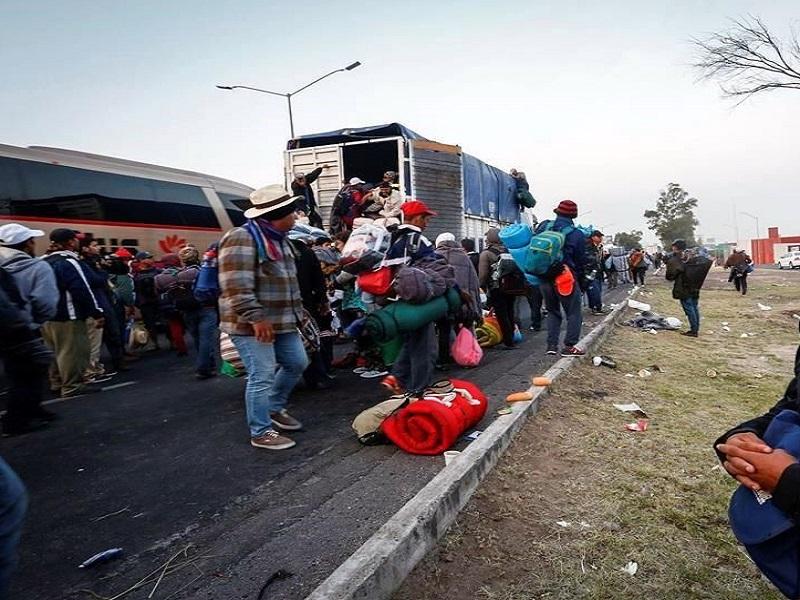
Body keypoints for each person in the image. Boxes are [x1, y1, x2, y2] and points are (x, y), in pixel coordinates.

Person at [218, 184, 309, 450]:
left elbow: (289, 283)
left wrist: (298, 312)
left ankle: (273, 407)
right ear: (278, 214)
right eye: (292, 213)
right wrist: (256, 317)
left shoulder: (281, 241)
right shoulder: (241, 238)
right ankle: (260, 432)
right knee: (262, 374)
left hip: (283, 321)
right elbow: (235, 285)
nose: (296, 217)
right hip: (252, 325)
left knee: (297, 363)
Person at [0, 224, 59, 435]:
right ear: (27, 244)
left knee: (15, 372)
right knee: (30, 373)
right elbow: (46, 303)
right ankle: (17, 422)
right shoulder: (37, 267)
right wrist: (34, 322)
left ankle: (33, 410)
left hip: (4, 329)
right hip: (24, 328)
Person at [380, 200, 440, 397]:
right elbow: (434, 268)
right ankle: (419, 390)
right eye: (425, 218)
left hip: (396, 301)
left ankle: (396, 377)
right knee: (425, 347)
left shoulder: (393, 239)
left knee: (411, 341)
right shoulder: (418, 240)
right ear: (415, 218)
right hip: (417, 300)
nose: (426, 222)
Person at [41, 229, 105, 398]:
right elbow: (81, 288)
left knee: (54, 351)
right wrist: (96, 312)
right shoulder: (69, 261)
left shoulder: (42, 260)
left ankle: (56, 382)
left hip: (46, 316)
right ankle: (72, 386)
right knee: (72, 351)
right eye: (76, 240)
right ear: (70, 242)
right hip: (69, 315)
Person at [534, 200, 587, 356]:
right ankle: (569, 347)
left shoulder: (544, 227)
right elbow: (580, 260)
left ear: (557, 212)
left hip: (544, 276)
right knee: (573, 312)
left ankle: (551, 346)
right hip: (565, 277)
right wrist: (581, 279)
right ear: (574, 215)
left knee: (552, 311)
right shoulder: (577, 234)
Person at [78, 235, 125, 378]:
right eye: (94, 245)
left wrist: (108, 263)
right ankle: (93, 369)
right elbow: (96, 280)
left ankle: (118, 360)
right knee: (96, 339)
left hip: (107, 299)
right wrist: (101, 271)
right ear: (85, 248)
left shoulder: (99, 260)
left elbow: (122, 269)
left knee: (114, 333)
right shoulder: (82, 263)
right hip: (97, 302)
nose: (98, 248)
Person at [434, 232, 482, 367]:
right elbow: (474, 282)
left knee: (444, 329)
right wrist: (475, 305)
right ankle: (468, 358)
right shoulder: (464, 257)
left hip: (443, 302)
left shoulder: (434, 256)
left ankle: (443, 360)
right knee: (464, 328)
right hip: (463, 301)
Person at [478, 228, 517, 349]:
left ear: (490, 239)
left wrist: (481, 286)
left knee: (501, 314)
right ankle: (512, 337)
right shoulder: (508, 250)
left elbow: (483, 274)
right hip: (511, 287)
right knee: (510, 311)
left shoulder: (486, 254)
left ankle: (508, 342)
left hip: (496, 287)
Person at [665, 239, 712, 338]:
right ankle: (695, 328)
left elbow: (670, 276)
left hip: (683, 287)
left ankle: (693, 331)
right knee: (694, 308)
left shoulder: (676, 259)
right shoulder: (693, 257)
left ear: (675, 247)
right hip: (695, 286)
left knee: (689, 309)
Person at [133, 252, 161, 350]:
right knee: (149, 324)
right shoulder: (136, 274)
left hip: (158, 301)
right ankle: (155, 343)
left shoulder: (158, 271)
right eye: (147, 258)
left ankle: (172, 342)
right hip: (146, 303)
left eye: (150, 257)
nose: (150, 259)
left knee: (165, 322)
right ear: (141, 260)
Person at [585, 230, 606, 315]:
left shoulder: (599, 247)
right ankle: (595, 308)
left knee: (598, 290)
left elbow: (600, 261)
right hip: (590, 273)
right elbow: (589, 260)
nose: (601, 238)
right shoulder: (588, 247)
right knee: (594, 291)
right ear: (593, 237)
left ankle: (598, 307)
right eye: (599, 236)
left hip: (598, 272)